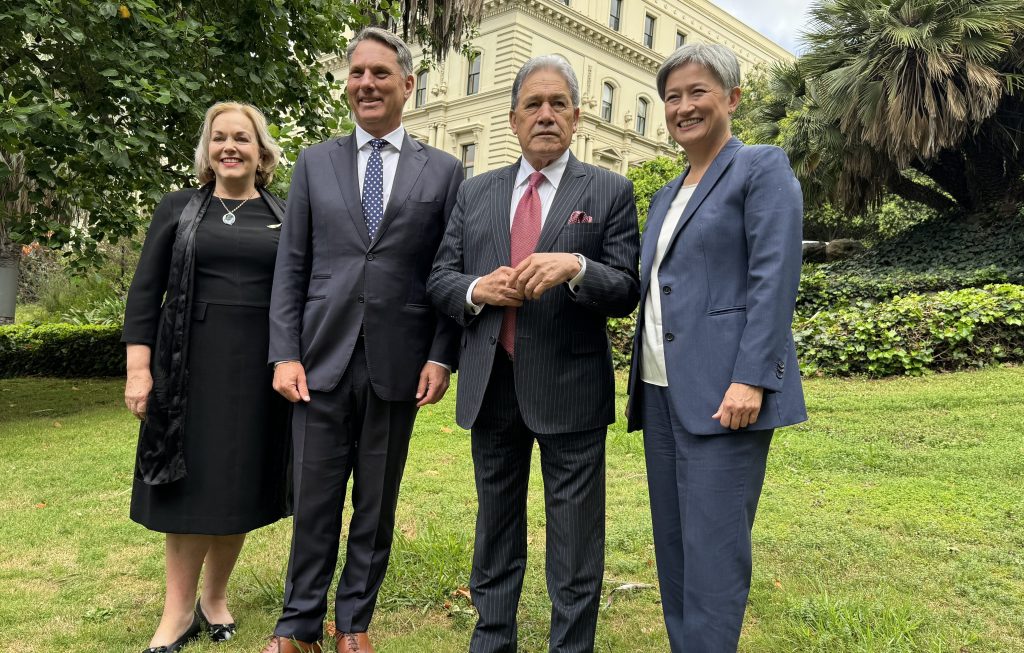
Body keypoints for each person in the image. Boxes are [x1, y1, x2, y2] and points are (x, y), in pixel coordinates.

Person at [428, 55, 640, 653]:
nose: (545, 115)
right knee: (495, 530)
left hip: (570, 389)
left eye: (558, 105)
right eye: (533, 105)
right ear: (513, 118)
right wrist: (475, 290)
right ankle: (492, 641)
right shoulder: (476, 193)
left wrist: (578, 267)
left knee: (574, 544)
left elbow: (627, 288)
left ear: (576, 117)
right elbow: (439, 277)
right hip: (491, 385)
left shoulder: (608, 190)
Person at [263, 27, 463, 653]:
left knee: (375, 504)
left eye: (381, 74)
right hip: (319, 359)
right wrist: (284, 351)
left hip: (397, 364)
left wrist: (440, 353)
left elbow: (445, 270)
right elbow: (291, 265)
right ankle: (299, 626)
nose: (367, 84)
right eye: (357, 74)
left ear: (408, 85)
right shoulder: (314, 162)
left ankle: (354, 624)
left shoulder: (445, 170)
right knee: (315, 499)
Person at [625, 43, 808, 652]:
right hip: (659, 395)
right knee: (674, 548)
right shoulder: (665, 195)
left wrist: (752, 378)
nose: (683, 107)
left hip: (725, 393)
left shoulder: (761, 168)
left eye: (697, 92)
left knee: (715, 552)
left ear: (731, 98)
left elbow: (774, 279)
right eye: (672, 97)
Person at [122, 101, 290, 653]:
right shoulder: (178, 208)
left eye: (242, 138)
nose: (230, 148)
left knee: (237, 487)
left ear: (261, 151)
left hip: (258, 373)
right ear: (207, 149)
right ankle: (176, 615)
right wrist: (139, 369)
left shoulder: (283, 215)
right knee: (188, 488)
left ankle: (214, 599)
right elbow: (145, 293)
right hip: (186, 369)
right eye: (219, 138)